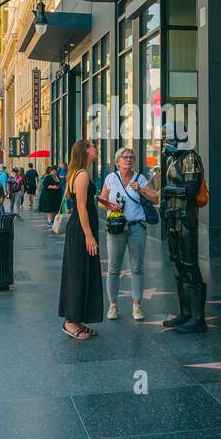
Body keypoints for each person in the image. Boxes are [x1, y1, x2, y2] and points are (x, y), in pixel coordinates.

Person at [100, 147, 159, 321]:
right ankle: (112, 306)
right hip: (116, 227)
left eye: (131, 157)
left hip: (136, 228)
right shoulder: (111, 178)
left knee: (137, 267)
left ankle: (137, 306)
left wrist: (141, 190)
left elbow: (155, 198)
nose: (128, 160)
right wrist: (110, 205)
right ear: (117, 161)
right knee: (113, 268)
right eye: (124, 157)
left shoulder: (139, 178)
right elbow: (101, 203)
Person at [161, 122, 208, 333]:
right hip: (172, 218)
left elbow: (189, 190)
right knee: (178, 264)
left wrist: (167, 191)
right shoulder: (172, 158)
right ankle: (185, 313)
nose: (164, 141)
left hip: (186, 219)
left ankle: (198, 319)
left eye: (167, 137)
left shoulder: (190, 158)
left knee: (190, 265)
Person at [58, 139, 103, 339]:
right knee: (78, 274)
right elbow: (81, 206)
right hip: (81, 231)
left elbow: (85, 198)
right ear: (86, 151)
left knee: (81, 272)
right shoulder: (82, 175)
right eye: (93, 146)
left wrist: (103, 200)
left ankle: (76, 319)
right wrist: (89, 236)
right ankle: (70, 322)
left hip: (79, 229)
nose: (96, 148)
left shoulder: (80, 173)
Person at [37, 164, 62, 229]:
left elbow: (59, 184)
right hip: (48, 195)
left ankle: (52, 220)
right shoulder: (48, 177)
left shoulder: (57, 177)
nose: (55, 172)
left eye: (56, 171)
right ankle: (49, 221)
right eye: (54, 171)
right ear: (51, 171)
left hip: (55, 195)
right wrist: (53, 187)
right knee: (49, 208)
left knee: (54, 208)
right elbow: (45, 184)